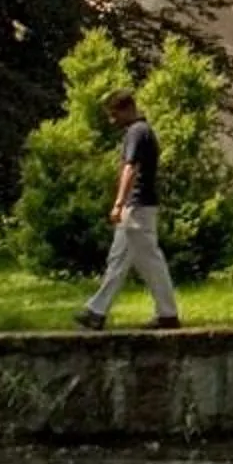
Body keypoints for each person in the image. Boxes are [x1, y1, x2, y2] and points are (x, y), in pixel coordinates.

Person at [76, 88, 181, 330]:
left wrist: (118, 203)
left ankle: (166, 314)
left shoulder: (136, 132)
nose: (113, 120)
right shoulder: (143, 131)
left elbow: (130, 168)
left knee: (149, 261)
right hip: (140, 205)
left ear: (127, 109)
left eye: (115, 114)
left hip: (137, 206)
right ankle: (97, 311)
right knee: (120, 259)